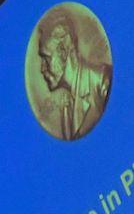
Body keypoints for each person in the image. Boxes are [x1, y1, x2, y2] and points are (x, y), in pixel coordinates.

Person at [33, 10, 111, 141]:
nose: (42, 69)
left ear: (64, 51)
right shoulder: (66, 104)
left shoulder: (102, 81)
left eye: (46, 58)